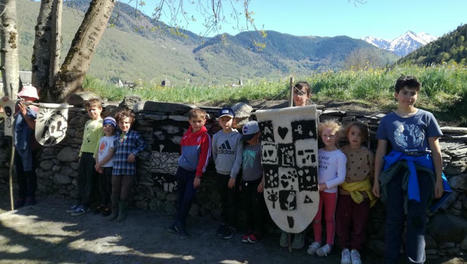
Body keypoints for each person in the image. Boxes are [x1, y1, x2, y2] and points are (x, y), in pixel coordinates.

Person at [372, 75, 444, 264]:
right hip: (396, 171)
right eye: (405, 92)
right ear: (396, 95)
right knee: (394, 217)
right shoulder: (387, 121)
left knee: (417, 218)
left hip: (422, 171)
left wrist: (438, 180)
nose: (409, 97)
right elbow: (380, 152)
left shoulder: (426, 117)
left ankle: (415, 261)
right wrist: (376, 180)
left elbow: (436, 151)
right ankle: (391, 259)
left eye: (413, 93)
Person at [336, 122, 376, 264]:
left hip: (362, 193)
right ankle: (345, 250)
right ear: (347, 135)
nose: (355, 137)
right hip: (345, 192)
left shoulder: (368, 154)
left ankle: (355, 250)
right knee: (343, 222)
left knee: (360, 222)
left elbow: (372, 172)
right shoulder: (341, 151)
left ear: (364, 138)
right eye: (353, 133)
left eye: (359, 135)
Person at [168, 108, 211, 238]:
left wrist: (198, 175)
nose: (196, 124)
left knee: (188, 199)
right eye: (194, 121)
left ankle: (179, 223)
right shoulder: (186, 135)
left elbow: (204, 158)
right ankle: (177, 222)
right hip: (182, 171)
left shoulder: (205, 137)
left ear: (204, 121)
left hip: (193, 174)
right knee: (180, 198)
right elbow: (182, 151)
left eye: (199, 121)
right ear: (189, 121)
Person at [279, 81, 312, 249]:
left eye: (302, 93)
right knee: (287, 196)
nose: (298, 96)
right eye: (296, 93)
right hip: (287, 162)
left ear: (308, 96)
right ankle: (286, 230)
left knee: (303, 200)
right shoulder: (285, 113)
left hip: (305, 164)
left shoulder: (311, 114)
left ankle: (300, 233)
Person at [307, 120, 347, 257]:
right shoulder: (317, 152)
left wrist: (324, 186)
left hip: (330, 192)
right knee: (316, 217)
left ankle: (329, 243)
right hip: (316, 191)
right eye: (325, 135)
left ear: (338, 136)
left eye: (331, 135)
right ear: (320, 136)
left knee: (329, 218)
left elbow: (341, 178)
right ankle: (317, 240)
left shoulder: (340, 156)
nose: (328, 138)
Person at [1, 85, 40, 207]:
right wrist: (5, 100)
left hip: (30, 146)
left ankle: (30, 196)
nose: (22, 98)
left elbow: (34, 126)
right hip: (18, 145)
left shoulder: (36, 110)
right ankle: (21, 196)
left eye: (24, 96)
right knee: (20, 172)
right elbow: (6, 112)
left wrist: (25, 114)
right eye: (21, 96)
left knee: (29, 172)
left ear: (31, 98)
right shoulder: (18, 107)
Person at [108, 109, 145, 222]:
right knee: (114, 190)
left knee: (124, 192)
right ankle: (114, 211)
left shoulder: (135, 135)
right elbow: (113, 150)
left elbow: (143, 145)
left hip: (128, 169)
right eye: (121, 123)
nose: (124, 125)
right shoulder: (117, 136)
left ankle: (122, 212)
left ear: (131, 123)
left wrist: (134, 153)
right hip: (117, 168)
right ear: (118, 124)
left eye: (126, 123)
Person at [212, 107, 243, 239]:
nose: (225, 122)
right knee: (223, 200)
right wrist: (218, 166)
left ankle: (232, 225)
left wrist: (233, 176)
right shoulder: (216, 136)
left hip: (232, 176)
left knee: (232, 201)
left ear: (233, 120)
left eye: (228, 119)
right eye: (222, 120)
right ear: (219, 121)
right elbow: (215, 153)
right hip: (220, 173)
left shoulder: (238, 137)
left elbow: (238, 158)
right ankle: (224, 223)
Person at [68, 98, 103, 216]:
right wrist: (80, 153)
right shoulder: (88, 123)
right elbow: (84, 140)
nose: (91, 112)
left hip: (93, 156)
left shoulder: (101, 124)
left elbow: (99, 142)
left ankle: (86, 205)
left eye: (94, 110)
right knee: (81, 179)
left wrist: (95, 156)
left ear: (100, 109)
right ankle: (79, 202)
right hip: (84, 154)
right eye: (89, 110)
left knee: (89, 181)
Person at [239, 121, 266, 244]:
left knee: (257, 208)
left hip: (257, 182)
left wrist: (262, 182)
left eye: (250, 137)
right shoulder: (245, 146)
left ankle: (258, 232)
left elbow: (266, 166)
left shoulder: (261, 147)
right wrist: (241, 181)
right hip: (245, 181)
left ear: (258, 134)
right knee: (247, 207)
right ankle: (249, 229)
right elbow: (243, 165)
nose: (247, 140)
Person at [94, 116, 118, 216]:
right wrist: (97, 164)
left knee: (109, 187)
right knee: (101, 186)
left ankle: (109, 205)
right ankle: (102, 203)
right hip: (101, 167)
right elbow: (98, 152)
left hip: (109, 167)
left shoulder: (114, 139)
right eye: (105, 125)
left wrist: (99, 164)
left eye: (110, 126)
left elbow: (110, 154)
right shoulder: (102, 138)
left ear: (114, 128)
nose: (107, 128)